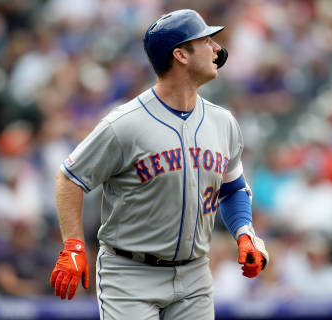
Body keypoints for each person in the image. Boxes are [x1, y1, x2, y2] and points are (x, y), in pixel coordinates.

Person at [49, 9, 269, 319]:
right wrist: (73, 245)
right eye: (206, 41)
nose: (217, 49)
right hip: (130, 275)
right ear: (180, 54)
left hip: (194, 275)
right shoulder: (124, 124)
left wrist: (244, 232)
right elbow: (69, 178)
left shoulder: (223, 122)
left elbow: (232, 189)